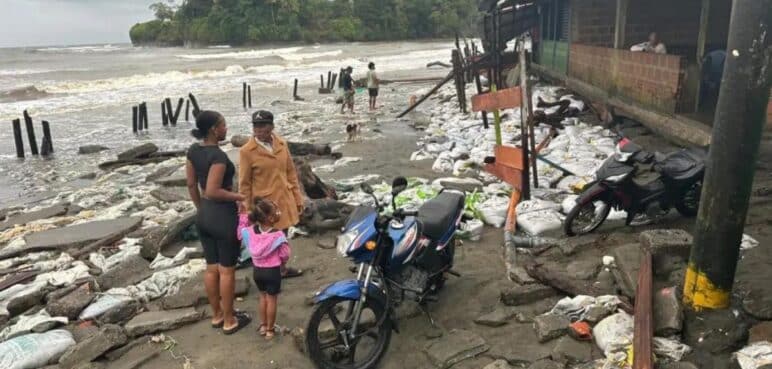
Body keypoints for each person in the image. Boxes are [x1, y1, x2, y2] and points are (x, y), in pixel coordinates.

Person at [185, 110, 251, 335]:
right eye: (223, 125)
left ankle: (217, 315)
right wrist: (240, 197)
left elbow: (192, 185)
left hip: (204, 214)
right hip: (222, 216)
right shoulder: (218, 157)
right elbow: (214, 190)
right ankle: (230, 320)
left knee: (211, 268)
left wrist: (200, 209)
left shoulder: (193, 150)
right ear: (214, 129)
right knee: (227, 271)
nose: (226, 129)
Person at [238, 110, 304, 278]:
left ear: (271, 126)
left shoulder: (281, 144)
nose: (259, 129)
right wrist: (246, 209)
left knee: (283, 235)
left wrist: (298, 197)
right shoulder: (247, 151)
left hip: (284, 198)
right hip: (264, 205)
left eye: (263, 125)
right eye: (256, 126)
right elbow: (244, 184)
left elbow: (291, 172)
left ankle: (281, 269)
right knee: (267, 239)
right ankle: (269, 272)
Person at [237, 198, 290, 340]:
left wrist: (242, 215)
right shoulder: (277, 235)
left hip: (257, 271)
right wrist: (283, 265)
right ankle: (270, 330)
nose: (278, 213)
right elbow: (285, 254)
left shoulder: (250, 232)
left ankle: (263, 325)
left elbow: (240, 232)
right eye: (275, 212)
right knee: (272, 299)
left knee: (262, 297)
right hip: (272, 272)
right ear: (271, 218)